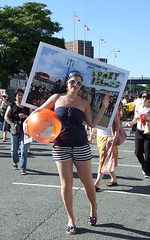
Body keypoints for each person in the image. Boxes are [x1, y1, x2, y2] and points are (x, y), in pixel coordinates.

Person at [23, 71, 109, 234]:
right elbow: (39, 111)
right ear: (66, 83)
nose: (75, 85)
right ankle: (71, 219)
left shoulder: (84, 102)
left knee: (87, 183)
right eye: (72, 81)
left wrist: (104, 107)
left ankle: (93, 209)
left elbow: (91, 124)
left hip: (81, 145)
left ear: (81, 86)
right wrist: (27, 122)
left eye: (79, 83)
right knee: (66, 184)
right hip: (60, 145)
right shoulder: (56, 98)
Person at [88, 113, 119, 191]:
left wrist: (115, 135)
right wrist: (91, 136)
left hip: (109, 137)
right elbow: (96, 125)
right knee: (107, 160)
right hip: (100, 137)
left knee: (104, 159)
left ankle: (96, 184)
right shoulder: (99, 109)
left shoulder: (112, 108)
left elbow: (117, 122)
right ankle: (114, 179)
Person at [5, 89, 30, 175]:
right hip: (15, 129)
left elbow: (32, 116)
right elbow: (6, 116)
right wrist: (11, 124)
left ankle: (23, 168)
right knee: (14, 149)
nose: (20, 97)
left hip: (25, 130)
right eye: (18, 95)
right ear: (15, 96)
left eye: (22, 95)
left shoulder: (27, 106)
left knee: (24, 149)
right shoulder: (12, 104)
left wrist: (25, 116)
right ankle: (15, 162)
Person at [127, 91, 150, 178]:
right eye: (143, 97)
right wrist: (130, 123)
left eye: (147, 97)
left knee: (148, 153)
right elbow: (135, 119)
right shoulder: (138, 108)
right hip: (139, 132)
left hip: (148, 133)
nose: (144, 99)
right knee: (137, 152)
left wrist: (148, 118)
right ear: (140, 98)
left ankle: (147, 170)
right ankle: (145, 166)